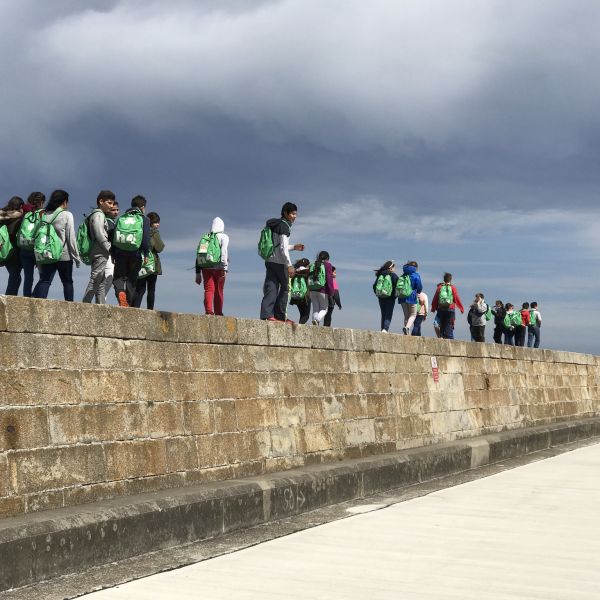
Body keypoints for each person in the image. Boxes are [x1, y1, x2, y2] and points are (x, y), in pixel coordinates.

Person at [32, 190, 81, 300]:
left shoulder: (45, 215)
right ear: (64, 202)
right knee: (67, 282)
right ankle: (70, 307)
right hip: (64, 255)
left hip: (47, 254)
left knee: (45, 281)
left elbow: (36, 235)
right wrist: (76, 257)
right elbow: (71, 237)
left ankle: (40, 305)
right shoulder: (67, 215)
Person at [259, 202, 303, 323]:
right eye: (292, 214)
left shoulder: (275, 225)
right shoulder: (284, 226)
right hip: (280, 263)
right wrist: (289, 265)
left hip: (270, 261)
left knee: (271, 286)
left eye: (296, 214)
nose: (295, 216)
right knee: (286, 288)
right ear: (285, 213)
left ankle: (267, 314)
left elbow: (279, 246)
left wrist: (294, 247)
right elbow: (283, 249)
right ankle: (280, 316)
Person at [112, 195, 150, 307]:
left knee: (118, 277)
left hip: (120, 252)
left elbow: (114, 236)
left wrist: (113, 253)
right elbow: (145, 238)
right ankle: (128, 301)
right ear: (142, 207)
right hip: (135, 254)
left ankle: (120, 292)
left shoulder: (121, 218)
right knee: (132, 279)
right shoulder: (144, 219)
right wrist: (146, 253)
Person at [82, 190, 115, 304]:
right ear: (101, 201)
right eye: (109, 203)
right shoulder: (99, 215)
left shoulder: (96, 214)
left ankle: (101, 307)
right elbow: (99, 234)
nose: (111, 206)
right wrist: (109, 248)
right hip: (99, 252)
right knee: (95, 279)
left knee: (100, 281)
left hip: (98, 251)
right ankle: (84, 305)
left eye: (112, 203)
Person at [194, 217, 228, 315]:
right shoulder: (224, 237)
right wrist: (224, 267)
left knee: (209, 289)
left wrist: (197, 273)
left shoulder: (206, 238)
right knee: (219, 290)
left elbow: (200, 255)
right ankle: (218, 312)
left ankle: (208, 311)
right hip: (219, 268)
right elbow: (224, 252)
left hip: (206, 268)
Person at [135, 212, 165, 310]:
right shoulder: (154, 233)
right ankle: (150, 310)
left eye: (158, 222)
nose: (158, 225)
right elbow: (159, 248)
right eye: (156, 222)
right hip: (152, 264)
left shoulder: (140, 230)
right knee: (151, 289)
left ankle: (135, 309)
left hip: (141, 263)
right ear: (151, 223)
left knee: (140, 289)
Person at [19, 192, 45, 297]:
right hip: (37, 249)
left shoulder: (26, 214)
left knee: (28, 278)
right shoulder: (42, 213)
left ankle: (26, 298)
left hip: (24, 248)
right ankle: (34, 297)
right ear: (42, 202)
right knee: (44, 277)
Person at [0, 197, 24, 295]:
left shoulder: (2, 215)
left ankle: (9, 297)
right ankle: (9, 298)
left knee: (15, 276)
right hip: (13, 251)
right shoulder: (19, 218)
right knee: (15, 276)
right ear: (20, 206)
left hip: (3, 248)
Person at [431, 272, 464, 339]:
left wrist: (433, 308)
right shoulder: (453, 288)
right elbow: (456, 298)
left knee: (440, 324)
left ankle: (441, 337)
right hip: (450, 309)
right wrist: (461, 308)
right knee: (448, 325)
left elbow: (435, 298)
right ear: (450, 279)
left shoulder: (440, 287)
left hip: (441, 309)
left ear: (444, 279)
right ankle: (449, 339)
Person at [309, 250, 335, 326]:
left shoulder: (313, 264)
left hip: (312, 290)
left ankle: (314, 322)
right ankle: (317, 319)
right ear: (327, 258)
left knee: (315, 309)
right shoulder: (328, 265)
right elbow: (329, 279)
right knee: (324, 309)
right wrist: (331, 292)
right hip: (322, 290)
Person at [397, 261, 423, 335]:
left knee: (406, 315)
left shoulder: (403, 275)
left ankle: (406, 332)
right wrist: (418, 292)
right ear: (416, 268)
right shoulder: (416, 275)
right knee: (413, 314)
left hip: (402, 297)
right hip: (411, 296)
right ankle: (407, 328)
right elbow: (419, 286)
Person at [373, 260, 398, 332]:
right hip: (390, 298)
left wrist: (378, 294)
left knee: (383, 313)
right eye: (394, 267)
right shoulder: (393, 275)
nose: (395, 269)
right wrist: (395, 296)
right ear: (391, 268)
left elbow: (374, 286)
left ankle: (382, 329)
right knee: (388, 314)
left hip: (381, 297)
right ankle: (385, 329)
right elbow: (397, 286)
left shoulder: (380, 275)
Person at [103, 200, 119, 298]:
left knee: (103, 278)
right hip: (107, 254)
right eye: (113, 210)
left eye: (117, 210)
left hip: (106, 253)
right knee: (109, 277)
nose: (116, 212)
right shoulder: (108, 222)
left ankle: (101, 299)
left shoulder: (111, 222)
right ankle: (101, 300)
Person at [289, 258, 311, 324]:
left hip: (296, 295)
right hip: (305, 296)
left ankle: (300, 325)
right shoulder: (308, 272)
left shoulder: (294, 272)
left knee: (302, 314)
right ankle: (300, 326)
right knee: (306, 315)